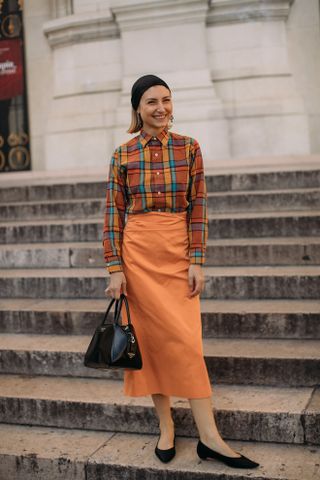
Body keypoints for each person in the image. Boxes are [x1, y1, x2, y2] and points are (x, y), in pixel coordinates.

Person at [102, 74, 259, 469]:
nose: (161, 108)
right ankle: (166, 426)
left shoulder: (189, 148)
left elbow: (199, 205)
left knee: (187, 343)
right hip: (138, 255)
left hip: (177, 253)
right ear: (138, 108)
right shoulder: (123, 154)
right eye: (152, 101)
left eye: (167, 100)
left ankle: (210, 437)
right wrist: (114, 267)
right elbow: (112, 214)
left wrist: (197, 259)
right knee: (152, 344)